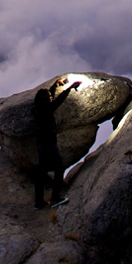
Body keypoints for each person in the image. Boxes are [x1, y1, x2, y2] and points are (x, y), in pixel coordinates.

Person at [32, 77, 81, 208]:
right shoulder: (46, 110)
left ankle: (39, 202)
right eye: (48, 96)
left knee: (42, 172)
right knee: (59, 168)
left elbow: (52, 98)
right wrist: (70, 88)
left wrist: (55, 85)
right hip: (49, 144)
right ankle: (55, 198)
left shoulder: (38, 108)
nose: (50, 97)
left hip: (41, 144)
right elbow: (57, 102)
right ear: (45, 100)